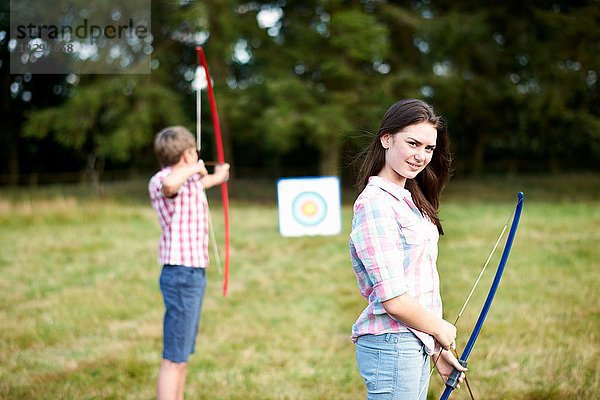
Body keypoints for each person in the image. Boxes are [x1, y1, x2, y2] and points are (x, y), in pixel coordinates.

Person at [349, 99, 466, 399]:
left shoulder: (409, 199)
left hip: (411, 342)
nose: (421, 156)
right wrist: (439, 329)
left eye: (429, 148)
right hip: (393, 345)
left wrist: (438, 351)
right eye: (413, 143)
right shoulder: (375, 203)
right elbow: (394, 299)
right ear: (386, 139)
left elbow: (418, 283)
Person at [148, 126, 229, 400]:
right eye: (194, 152)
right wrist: (195, 168)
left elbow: (197, 185)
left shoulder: (187, 182)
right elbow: (172, 184)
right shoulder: (163, 180)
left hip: (192, 274)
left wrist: (218, 176)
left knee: (182, 355)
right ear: (187, 154)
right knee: (174, 357)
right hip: (181, 274)